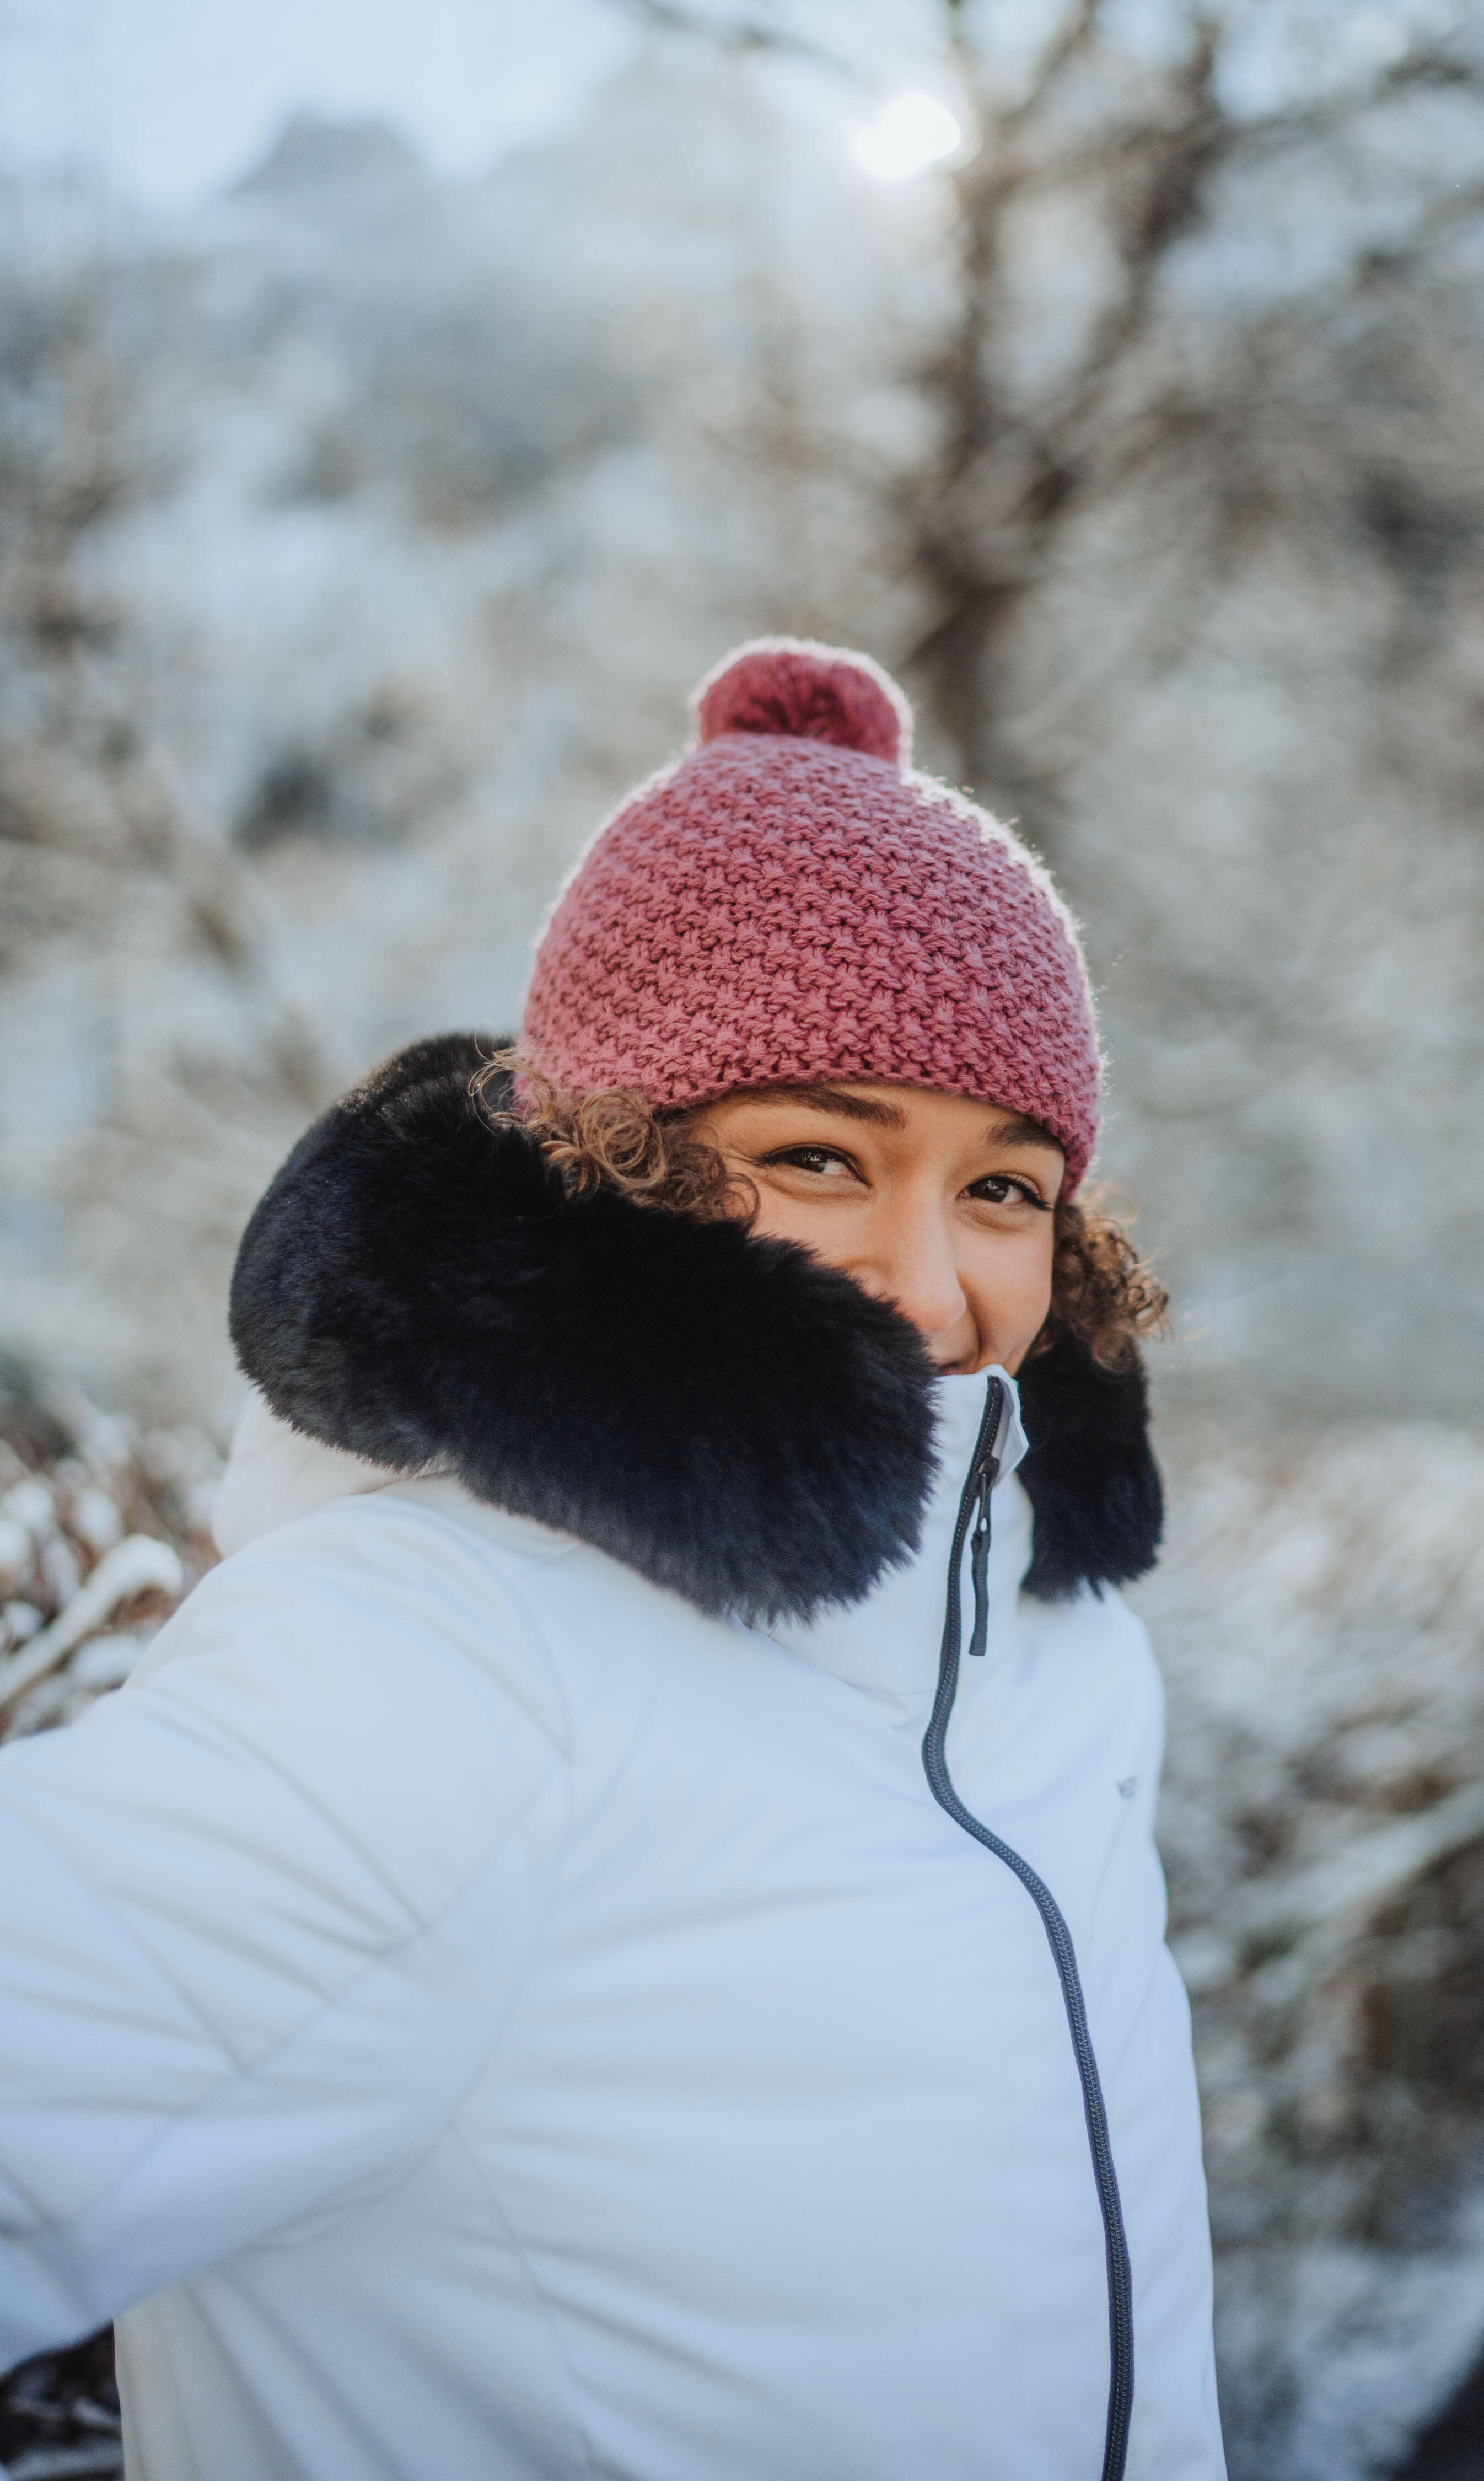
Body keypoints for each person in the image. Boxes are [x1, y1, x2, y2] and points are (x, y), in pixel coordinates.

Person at [0, 640, 1226, 2480]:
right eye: (821, 1153)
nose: (928, 1275)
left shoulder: (1057, 1645)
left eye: (1003, 1187)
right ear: (613, 1165)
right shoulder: (441, 1657)